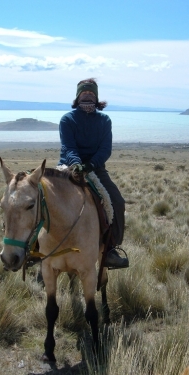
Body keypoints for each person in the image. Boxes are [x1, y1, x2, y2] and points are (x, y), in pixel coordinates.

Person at [58, 78, 129, 269]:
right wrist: (76, 164)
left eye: (91, 93)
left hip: (96, 168)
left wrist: (89, 166)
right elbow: (68, 147)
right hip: (68, 167)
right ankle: (38, 250)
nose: (87, 96)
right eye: (84, 93)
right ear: (77, 96)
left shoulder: (104, 121)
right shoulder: (67, 120)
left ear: (97, 97)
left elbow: (105, 150)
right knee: (44, 197)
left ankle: (111, 249)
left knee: (117, 202)